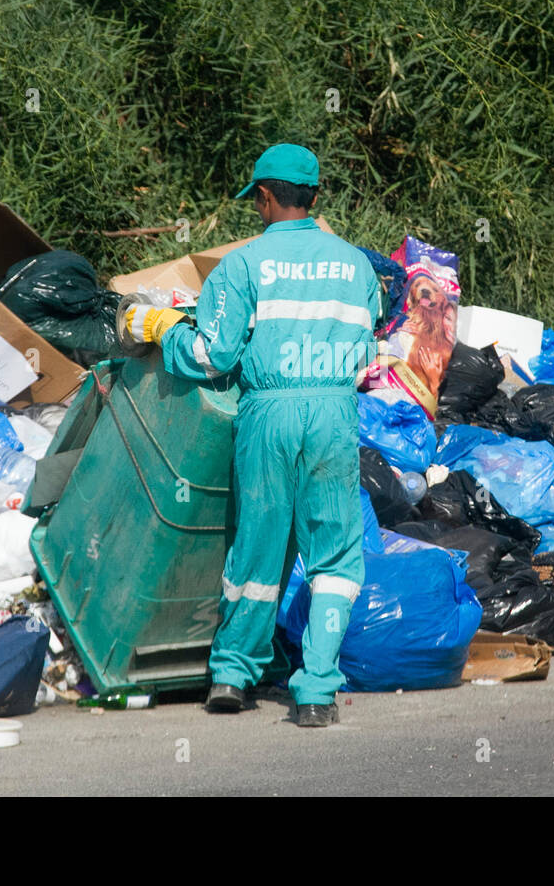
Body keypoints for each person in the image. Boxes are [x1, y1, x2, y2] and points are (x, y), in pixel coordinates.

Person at [123, 143, 381, 727]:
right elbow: (367, 349)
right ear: (315, 197)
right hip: (334, 413)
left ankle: (233, 676)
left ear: (265, 197)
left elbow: (213, 356)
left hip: (268, 413)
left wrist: (163, 332)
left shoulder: (242, 265)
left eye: (256, 200)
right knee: (336, 556)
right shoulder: (357, 266)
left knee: (258, 548)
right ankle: (315, 690)